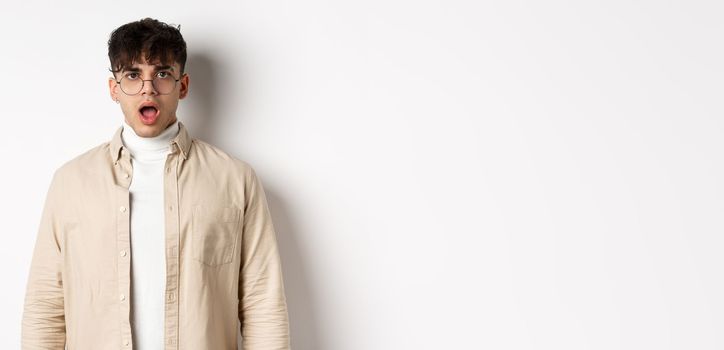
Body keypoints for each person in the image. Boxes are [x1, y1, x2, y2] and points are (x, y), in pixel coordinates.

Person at [20, 17, 291, 350]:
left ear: (183, 85)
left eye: (162, 73)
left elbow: (263, 304)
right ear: (114, 89)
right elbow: (46, 306)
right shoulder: (71, 182)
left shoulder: (234, 180)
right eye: (133, 75)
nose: (148, 88)